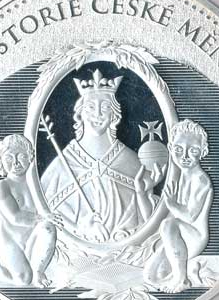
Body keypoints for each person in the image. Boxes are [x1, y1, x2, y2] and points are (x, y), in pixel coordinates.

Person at [40, 69, 164, 243]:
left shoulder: (132, 162)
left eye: (105, 107)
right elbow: (44, 215)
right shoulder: (63, 164)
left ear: (114, 116)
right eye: (91, 107)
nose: (97, 114)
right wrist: (81, 229)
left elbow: (150, 223)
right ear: (80, 114)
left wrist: (143, 194)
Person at [139, 119, 213, 293]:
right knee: (150, 277)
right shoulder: (182, 175)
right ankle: (192, 270)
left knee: (167, 224)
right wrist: (146, 192)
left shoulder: (200, 180)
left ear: (203, 151)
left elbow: (190, 216)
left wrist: (172, 204)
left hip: (195, 237)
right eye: (179, 150)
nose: (185, 156)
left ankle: (182, 279)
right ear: (171, 149)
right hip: (181, 234)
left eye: (193, 150)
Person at [0, 134, 60, 287]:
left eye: (21, 156)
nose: (16, 162)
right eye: (9, 158)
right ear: (0, 161)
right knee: (23, 280)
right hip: (11, 241)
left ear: (30, 157)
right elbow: (15, 217)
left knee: (48, 227)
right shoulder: (2, 186)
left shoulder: (37, 184)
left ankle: (39, 272)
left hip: (33, 238)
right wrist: (43, 217)